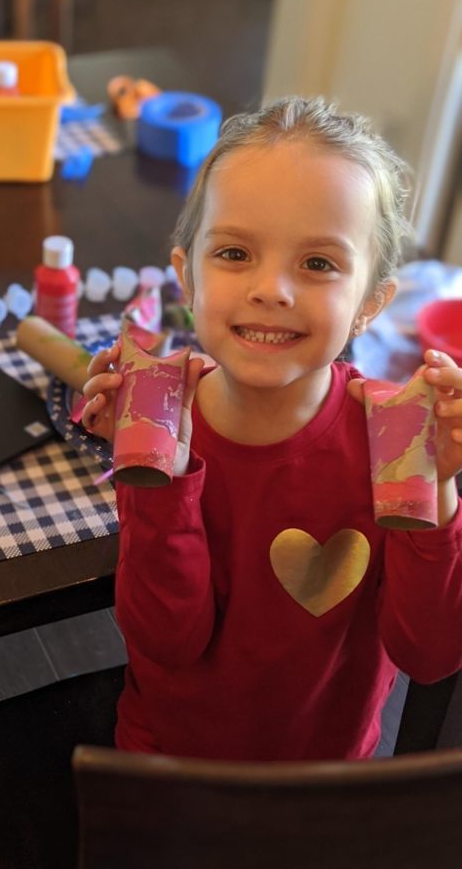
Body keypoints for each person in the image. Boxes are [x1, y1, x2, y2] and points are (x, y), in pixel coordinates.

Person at [82, 96, 462, 760]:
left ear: (370, 303)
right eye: (234, 252)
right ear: (187, 279)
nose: (272, 289)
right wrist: (155, 478)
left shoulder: (392, 439)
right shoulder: (163, 424)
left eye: (318, 264)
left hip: (322, 779)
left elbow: (429, 655)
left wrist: (442, 491)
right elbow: (167, 639)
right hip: (168, 761)